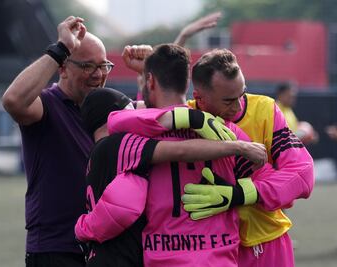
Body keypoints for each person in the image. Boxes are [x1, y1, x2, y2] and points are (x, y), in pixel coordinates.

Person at [111, 45, 314, 267]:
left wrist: (240, 194)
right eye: (228, 101)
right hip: (218, 251)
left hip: (265, 242)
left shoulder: (265, 110)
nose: (238, 107)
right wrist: (187, 115)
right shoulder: (185, 114)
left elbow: (302, 174)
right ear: (200, 97)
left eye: (242, 94)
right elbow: (122, 118)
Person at [74, 87, 267, 266]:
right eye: (131, 109)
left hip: (98, 256)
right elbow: (178, 152)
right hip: (121, 259)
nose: (139, 114)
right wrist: (238, 147)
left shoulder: (95, 154)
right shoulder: (118, 144)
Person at [1, 16, 113, 267]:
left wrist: (145, 73)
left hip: (101, 249)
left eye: (103, 65)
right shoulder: (48, 104)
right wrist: (60, 48)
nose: (98, 74)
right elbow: (13, 101)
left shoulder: (105, 110)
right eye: (87, 66)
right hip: (56, 250)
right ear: (62, 68)